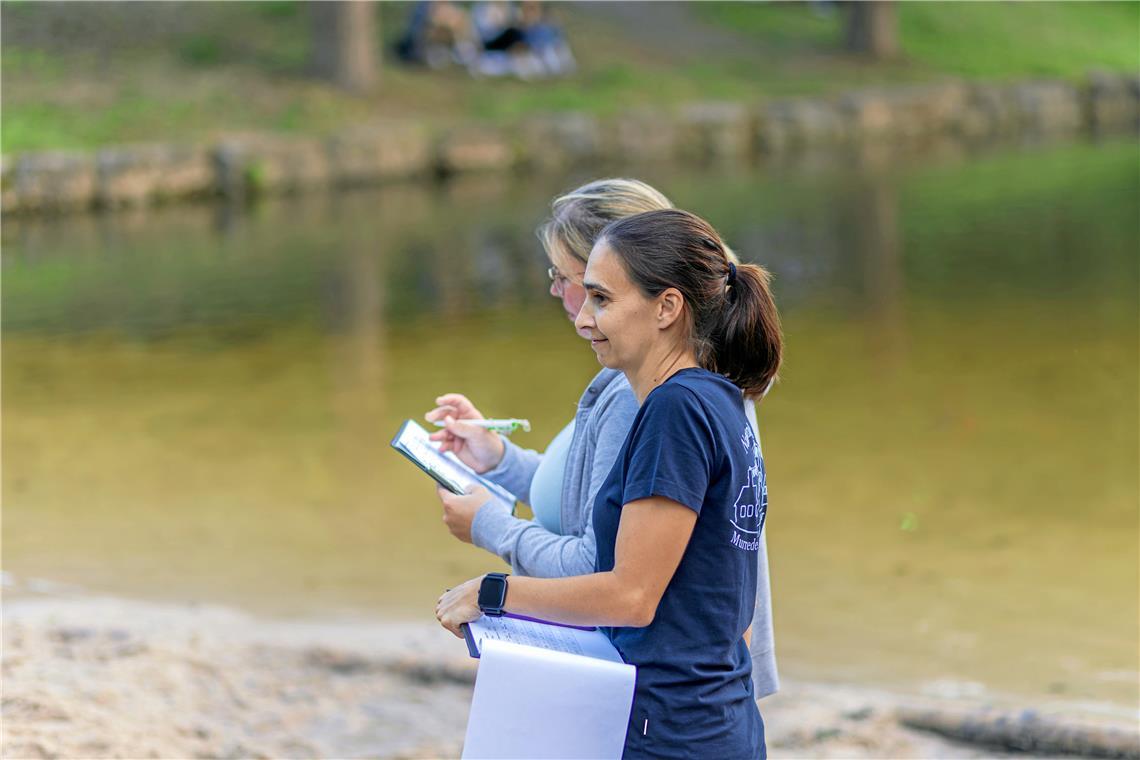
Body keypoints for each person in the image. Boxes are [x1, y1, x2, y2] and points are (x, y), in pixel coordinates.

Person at [437, 208, 783, 758]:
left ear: (667, 307)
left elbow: (632, 595)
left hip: (673, 730)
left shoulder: (676, 410)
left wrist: (494, 593)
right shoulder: (718, 399)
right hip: (713, 717)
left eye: (602, 299)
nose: (582, 319)